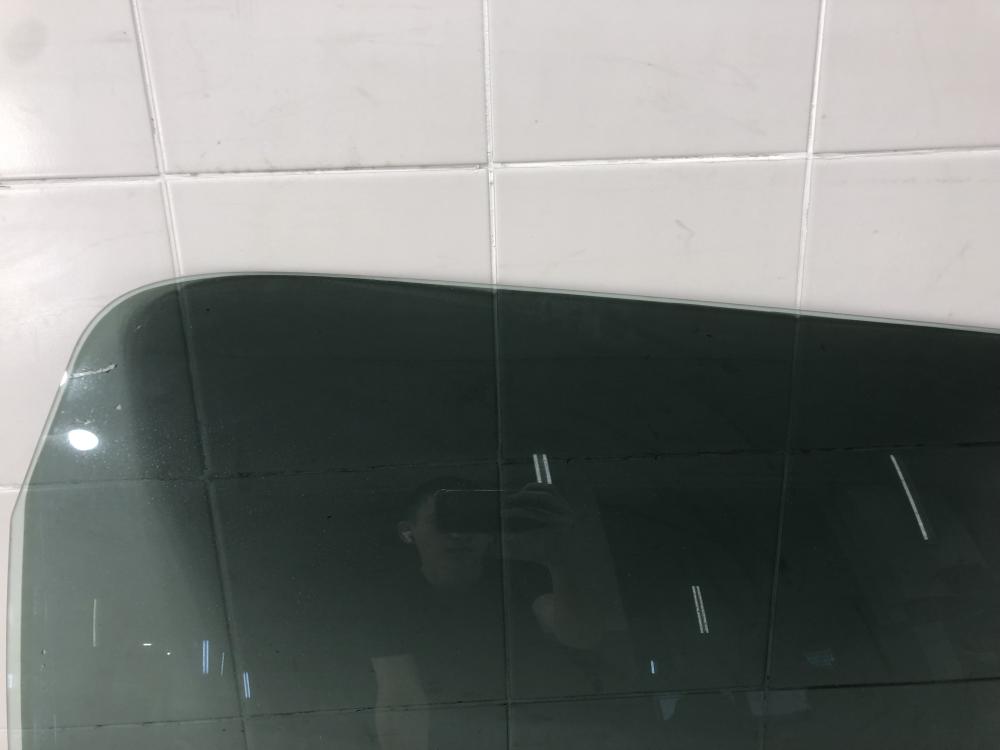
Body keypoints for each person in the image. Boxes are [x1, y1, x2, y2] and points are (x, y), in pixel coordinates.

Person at [369, 478, 607, 750]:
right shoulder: (390, 601)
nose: (459, 533)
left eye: (471, 521)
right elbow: (400, 697)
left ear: (489, 531)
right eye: (443, 521)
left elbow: (581, 635)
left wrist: (559, 559)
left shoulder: (522, 576)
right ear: (407, 532)